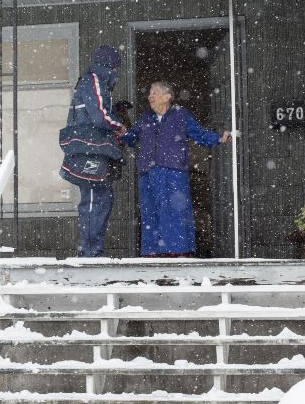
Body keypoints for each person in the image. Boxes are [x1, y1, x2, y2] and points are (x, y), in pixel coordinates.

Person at [122, 81, 231, 257]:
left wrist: (219, 139)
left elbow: (199, 134)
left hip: (173, 173)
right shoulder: (145, 117)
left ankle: (178, 253)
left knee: (175, 213)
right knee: (150, 214)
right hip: (148, 174)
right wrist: (121, 134)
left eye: (154, 92)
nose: (150, 96)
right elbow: (132, 138)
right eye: (150, 92)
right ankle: (153, 254)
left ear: (167, 96)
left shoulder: (180, 115)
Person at [59, 45, 127, 257]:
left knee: (102, 200)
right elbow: (100, 116)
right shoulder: (94, 81)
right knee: (93, 201)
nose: (116, 72)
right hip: (89, 152)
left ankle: (93, 249)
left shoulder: (98, 83)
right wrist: (120, 126)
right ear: (111, 65)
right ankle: (90, 253)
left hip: (93, 152)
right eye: (116, 67)